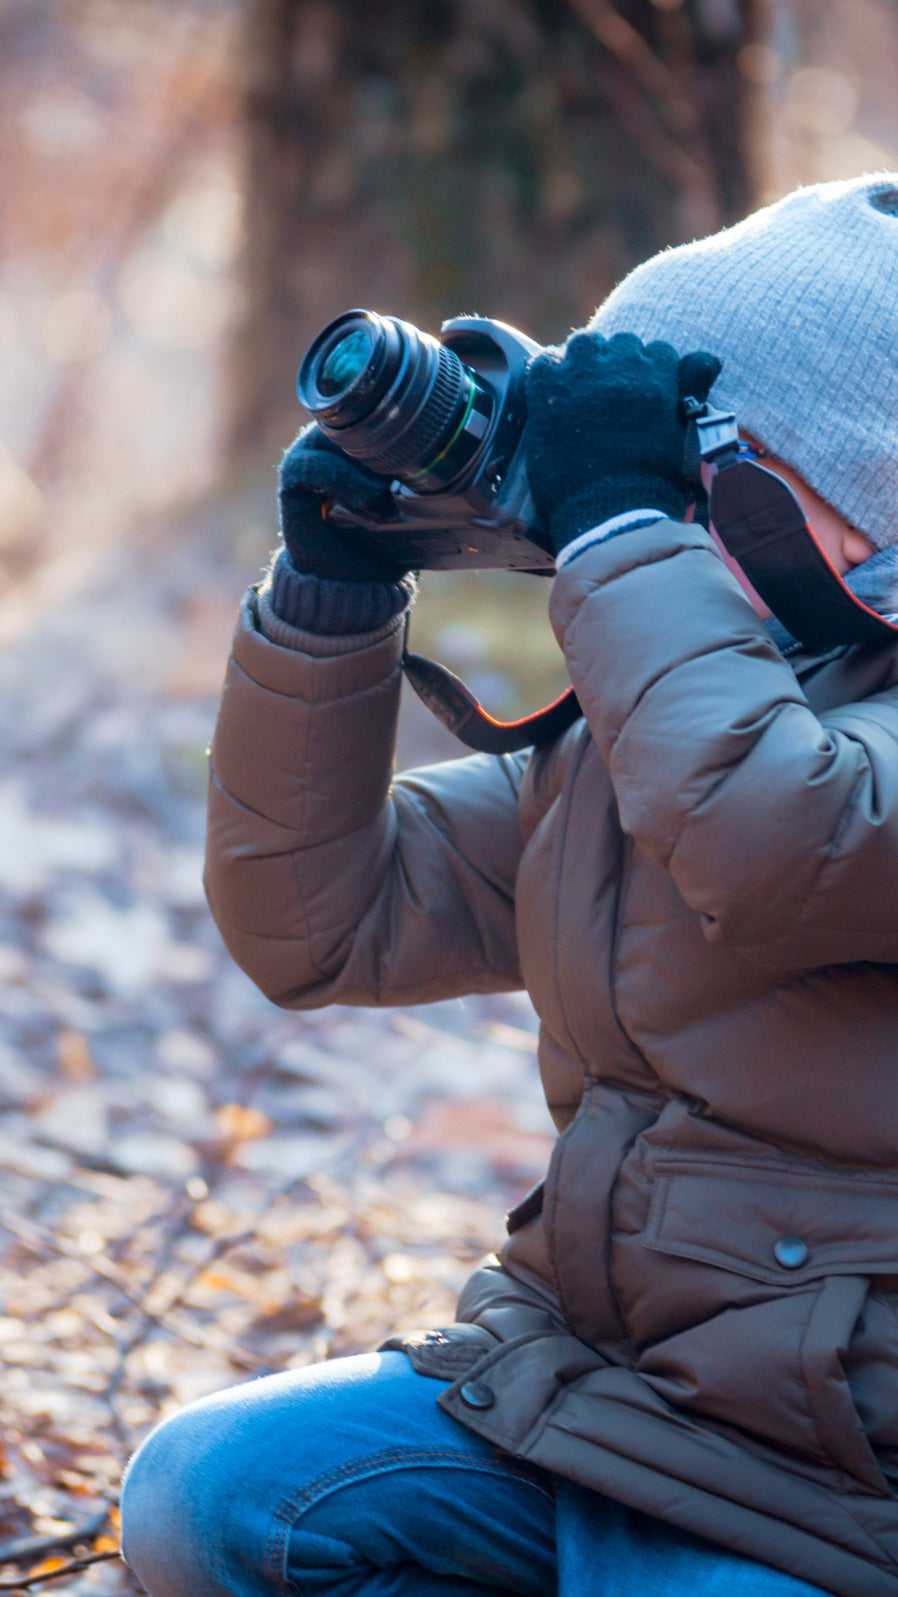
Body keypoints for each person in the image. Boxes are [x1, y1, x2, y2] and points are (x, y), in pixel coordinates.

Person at [121, 173, 898, 1597]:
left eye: (693, 459)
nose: (651, 495)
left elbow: (775, 836)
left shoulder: (769, 751)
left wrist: (616, 527)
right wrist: (329, 600)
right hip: (608, 1403)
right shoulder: (663, 725)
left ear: (870, 505)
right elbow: (321, 922)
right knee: (208, 1496)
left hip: (845, 1493)